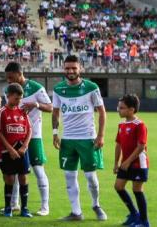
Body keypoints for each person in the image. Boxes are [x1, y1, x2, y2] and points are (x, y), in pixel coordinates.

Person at [51, 54, 108, 221]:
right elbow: (55, 113)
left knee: (90, 176)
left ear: (80, 69)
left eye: (74, 68)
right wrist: (55, 133)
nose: (70, 71)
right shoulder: (58, 89)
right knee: (69, 176)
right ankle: (76, 212)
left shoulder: (91, 87)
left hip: (87, 138)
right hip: (67, 140)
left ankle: (96, 205)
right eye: (67, 68)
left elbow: (102, 112)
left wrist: (101, 135)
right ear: (63, 69)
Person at [5, 62, 52, 216]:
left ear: (19, 74)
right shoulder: (9, 90)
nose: (9, 81)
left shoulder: (36, 87)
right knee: (16, 171)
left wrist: (36, 104)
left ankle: (45, 206)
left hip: (34, 135)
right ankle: (14, 204)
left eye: (11, 77)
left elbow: (50, 107)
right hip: (14, 136)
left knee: (38, 169)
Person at [114, 94, 150, 227]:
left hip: (138, 163)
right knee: (118, 186)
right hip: (125, 163)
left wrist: (128, 162)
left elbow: (141, 146)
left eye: (122, 108)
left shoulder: (139, 125)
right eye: (119, 107)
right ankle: (134, 214)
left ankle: (144, 221)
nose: (118, 110)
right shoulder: (121, 125)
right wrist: (116, 163)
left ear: (132, 109)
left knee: (137, 190)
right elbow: (118, 144)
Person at [0, 83, 33, 218]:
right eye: (16, 99)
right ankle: (8, 208)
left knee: (23, 178)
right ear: (8, 96)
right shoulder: (2, 112)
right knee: (9, 179)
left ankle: (24, 208)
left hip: (22, 150)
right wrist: (10, 149)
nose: (19, 101)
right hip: (8, 151)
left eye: (20, 99)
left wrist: (24, 146)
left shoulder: (23, 111)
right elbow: (0, 133)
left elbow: (29, 130)